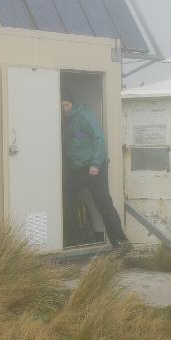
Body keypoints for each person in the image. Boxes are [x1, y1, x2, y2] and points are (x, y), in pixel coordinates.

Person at [61, 90, 130, 252]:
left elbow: (99, 138)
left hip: (94, 167)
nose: (65, 109)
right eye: (62, 106)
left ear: (73, 104)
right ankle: (74, 235)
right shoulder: (66, 121)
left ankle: (121, 241)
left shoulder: (84, 115)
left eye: (67, 105)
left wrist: (96, 164)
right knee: (66, 194)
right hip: (79, 168)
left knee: (103, 203)